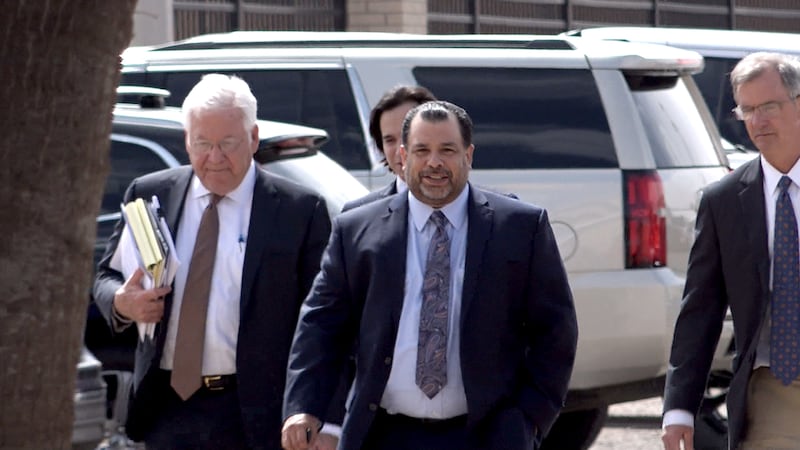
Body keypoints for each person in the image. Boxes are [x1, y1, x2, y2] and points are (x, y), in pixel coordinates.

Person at [281, 100, 578, 450]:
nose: (434, 162)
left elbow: (555, 329)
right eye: (422, 150)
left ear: (468, 155)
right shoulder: (358, 228)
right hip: (383, 435)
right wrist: (304, 406)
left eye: (447, 150)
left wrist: (529, 418)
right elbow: (321, 324)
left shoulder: (519, 227)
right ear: (403, 157)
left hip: (486, 436)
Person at [93, 74, 334, 450]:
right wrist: (123, 303)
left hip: (255, 413)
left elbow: (325, 321)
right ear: (187, 140)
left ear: (253, 138)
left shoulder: (299, 211)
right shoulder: (150, 193)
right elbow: (107, 277)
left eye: (228, 144)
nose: (215, 158)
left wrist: (319, 413)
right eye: (203, 143)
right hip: (165, 407)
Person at [662, 52, 800, 450]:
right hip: (774, 389)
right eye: (747, 110)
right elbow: (700, 308)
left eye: (769, 107)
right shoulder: (724, 201)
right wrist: (679, 407)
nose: (757, 121)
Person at [341, 85, 437, 211]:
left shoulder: (463, 206)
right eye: (390, 140)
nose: (400, 151)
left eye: (408, 136)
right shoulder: (357, 214)